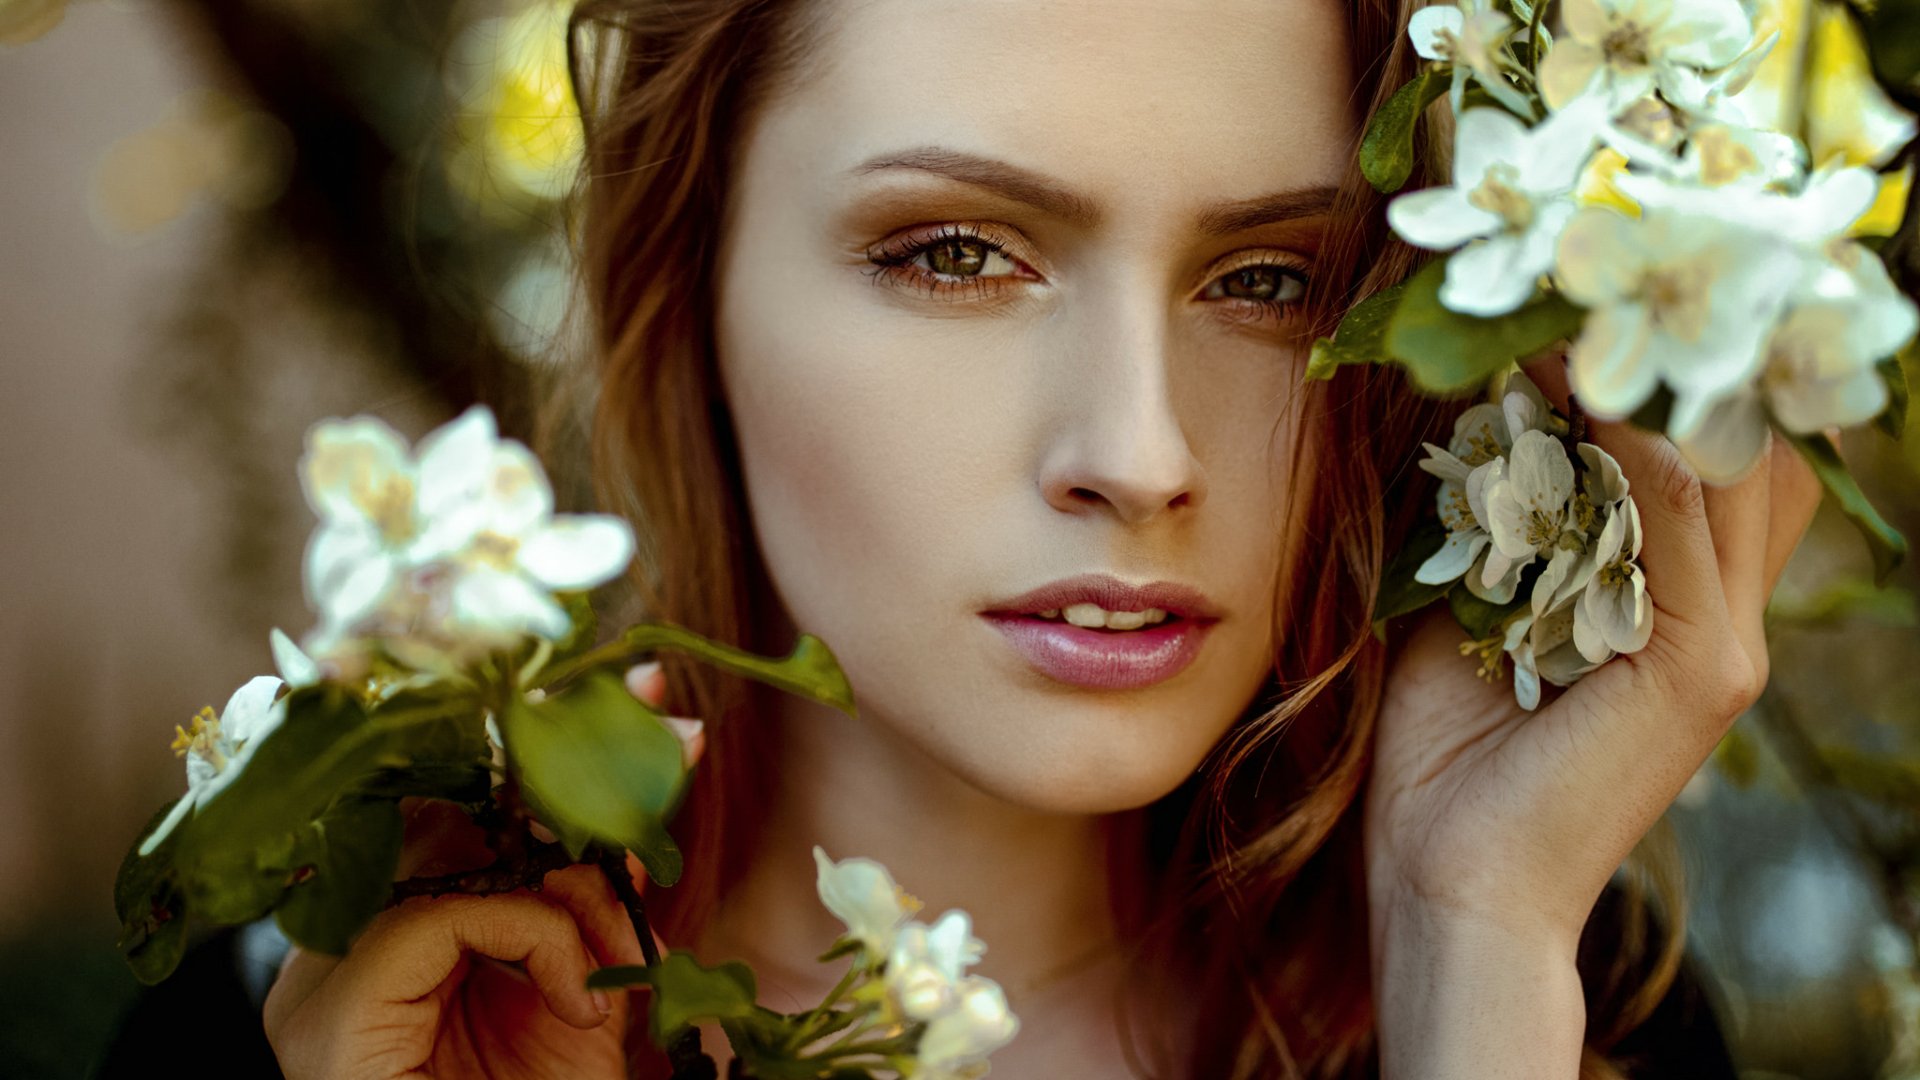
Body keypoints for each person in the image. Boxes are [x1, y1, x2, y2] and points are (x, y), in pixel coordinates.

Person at [259, 0, 1821, 1077]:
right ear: (688, 279)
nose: (1138, 457)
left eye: (1269, 280)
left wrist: (1470, 955)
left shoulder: (1572, 1002)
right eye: (956, 254)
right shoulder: (355, 1005)